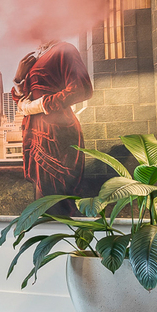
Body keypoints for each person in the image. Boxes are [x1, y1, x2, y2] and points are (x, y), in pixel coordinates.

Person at [12, 39, 93, 208]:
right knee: (42, 199)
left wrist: (37, 105)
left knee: (58, 196)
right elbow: (24, 98)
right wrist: (19, 78)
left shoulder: (65, 49)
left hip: (57, 132)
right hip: (34, 133)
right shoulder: (35, 58)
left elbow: (82, 89)